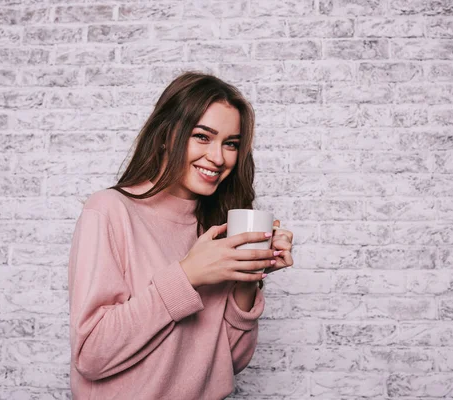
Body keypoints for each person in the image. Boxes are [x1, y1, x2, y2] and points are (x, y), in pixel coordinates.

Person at [67, 72, 294, 399]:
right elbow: (91, 355)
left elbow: (230, 361)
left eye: (230, 143)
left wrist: (250, 274)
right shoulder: (110, 210)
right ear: (164, 135)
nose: (218, 158)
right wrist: (187, 276)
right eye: (202, 136)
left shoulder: (216, 230)